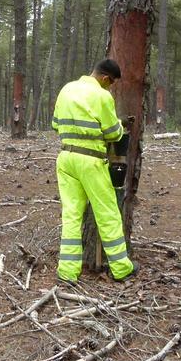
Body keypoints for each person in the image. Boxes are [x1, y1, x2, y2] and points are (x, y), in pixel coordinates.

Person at [51, 59, 135, 283]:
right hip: (91, 161)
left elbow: (56, 123)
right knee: (107, 213)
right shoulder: (101, 96)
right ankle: (121, 268)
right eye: (111, 84)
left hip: (66, 158)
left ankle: (68, 272)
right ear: (106, 78)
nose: (110, 88)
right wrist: (119, 125)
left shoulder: (66, 89)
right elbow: (112, 133)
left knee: (71, 215)